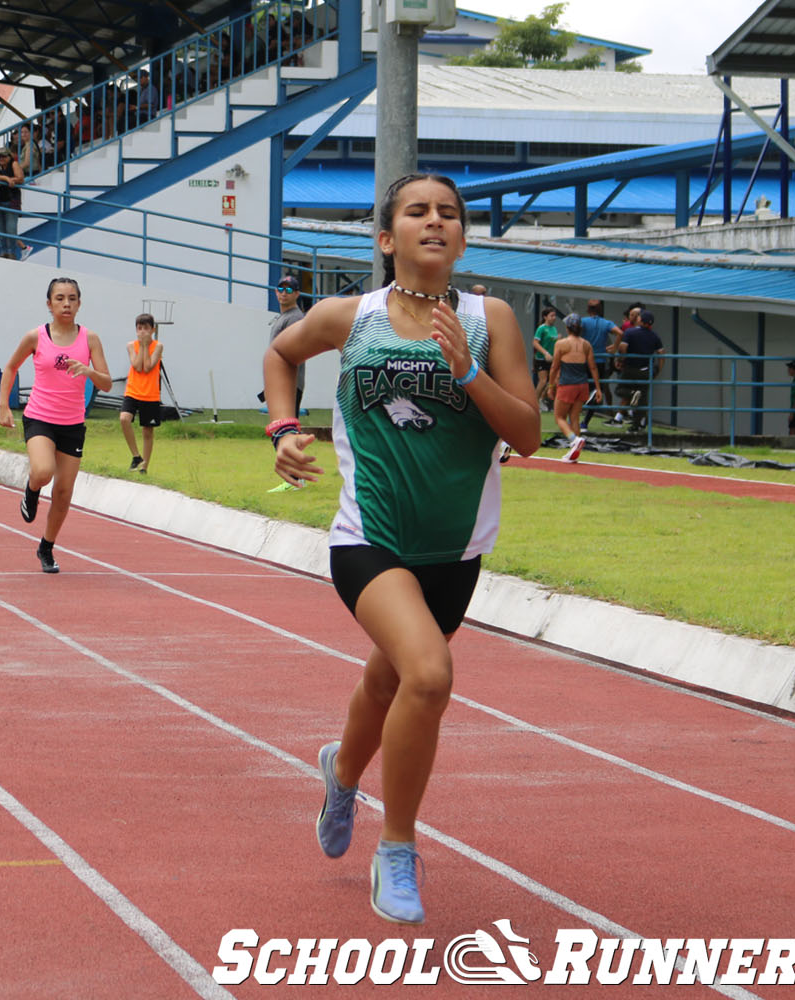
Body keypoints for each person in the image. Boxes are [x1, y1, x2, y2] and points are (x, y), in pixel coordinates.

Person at [264, 173, 539, 924]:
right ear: (387, 238)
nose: (435, 222)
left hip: (455, 551)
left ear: (461, 237)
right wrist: (284, 431)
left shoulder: (491, 321)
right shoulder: (350, 318)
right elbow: (281, 357)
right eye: (417, 212)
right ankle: (397, 847)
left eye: (449, 214)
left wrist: (468, 372)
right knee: (429, 673)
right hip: (369, 539)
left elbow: (527, 435)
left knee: (390, 683)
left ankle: (342, 770)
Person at [0, 278, 113, 573]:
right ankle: (31, 489)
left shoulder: (90, 339)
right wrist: (3, 407)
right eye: (60, 298)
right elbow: (11, 367)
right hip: (40, 417)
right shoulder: (36, 336)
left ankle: (46, 547)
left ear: (79, 303)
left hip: (72, 423)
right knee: (43, 471)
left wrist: (89, 370)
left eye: (72, 298)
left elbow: (108, 383)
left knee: (63, 492)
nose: (66, 304)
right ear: (49, 304)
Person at [547, 313, 602, 462]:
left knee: (559, 417)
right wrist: (598, 388)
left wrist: (551, 385)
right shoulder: (586, 344)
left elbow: (554, 367)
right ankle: (574, 451)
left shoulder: (561, 344)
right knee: (575, 418)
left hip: (567, 384)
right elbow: (593, 368)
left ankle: (573, 440)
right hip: (582, 385)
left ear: (567, 327)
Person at [120, 313, 163, 473]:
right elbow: (137, 367)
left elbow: (148, 367)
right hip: (133, 390)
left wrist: (145, 346)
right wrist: (141, 346)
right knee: (124, 419)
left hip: (150, 393)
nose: (142, 331)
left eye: (146, 328)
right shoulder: (131, 345)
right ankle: (136, 456)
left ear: (152, 329)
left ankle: (144, 466)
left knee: (147, 430)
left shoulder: (158, 346)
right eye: (139, 328)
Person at [616, 308, 664, 430]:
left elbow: (622, 347)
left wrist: (621, 360)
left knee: (620, 389)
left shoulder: (630, 332)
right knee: (642, 399)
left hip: (630, 369)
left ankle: (632, 394)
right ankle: (636, 426)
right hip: (646, 371)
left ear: (640, 320)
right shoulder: (654, 336)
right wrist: (658, 370)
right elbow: (661, 353)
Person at [578, 300, 622, 427]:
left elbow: (575, 330)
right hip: (600, 362)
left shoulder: (584, 321)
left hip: (585, 360)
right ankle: (585, 422)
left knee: (580, 389)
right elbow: (620, 333)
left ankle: (573, 418)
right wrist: (614, 347)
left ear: (588, 310)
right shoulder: (606, 323)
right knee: (597, 391)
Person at [269, 275, 307, 414]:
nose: (284, 293)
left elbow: (293, 353)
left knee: (287, 427)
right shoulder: (284, 317)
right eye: (281, 289)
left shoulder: (294, 318)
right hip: (281, 382)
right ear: (276, 291)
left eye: (289, 290)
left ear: (297, 294)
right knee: (280, 427)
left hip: (289, 383)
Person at [0, 148, 25, 259]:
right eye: (0, 156)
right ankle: (4, 251)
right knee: (1, 229)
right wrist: (6, 178)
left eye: (4, 156)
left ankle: (11, 252)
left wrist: (9, 180)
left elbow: (20, 178)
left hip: (11, 200)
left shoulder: (14, 164)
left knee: (11, 229)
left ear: (9, 156)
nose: (1, 158)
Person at [531, 306, 559, 410]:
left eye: (555, 315)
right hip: (541, 358)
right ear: (545, 317)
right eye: (551, 316)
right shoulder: (541, 328)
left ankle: (542, 399)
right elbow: (535, 343)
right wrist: (545, 353)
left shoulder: (554, 329)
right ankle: (535, 402)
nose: (554, 318)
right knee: (543, 381)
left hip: (552, 359)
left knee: (554, 381)